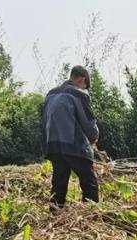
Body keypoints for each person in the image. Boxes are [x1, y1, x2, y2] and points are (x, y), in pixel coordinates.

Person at [42, 65, 100, 208]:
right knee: (88, 182)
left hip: (53, 145)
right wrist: (93, 139)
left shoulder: (50, 94)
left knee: (59, 184)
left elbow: (44, 121)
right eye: (85, 86)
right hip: (73, 144)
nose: (85, 89)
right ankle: (91, 214)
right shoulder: (78, 94)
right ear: (81, 80)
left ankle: (55, 213)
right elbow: (88, 123)